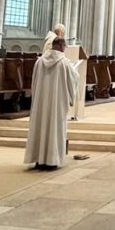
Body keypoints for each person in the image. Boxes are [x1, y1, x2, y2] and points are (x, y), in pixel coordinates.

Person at [23, 37, 78, 170]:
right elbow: (74, 78)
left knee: (40, 127)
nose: (64, 49)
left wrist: (36, 99)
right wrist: (72, 97)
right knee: (54, 128)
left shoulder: (39, 62)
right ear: (61, 46)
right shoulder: (64, 63)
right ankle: (51, 160)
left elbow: (34, 83)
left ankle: (38, 159)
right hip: (56, 104)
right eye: (64, 46)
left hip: (40, 103)